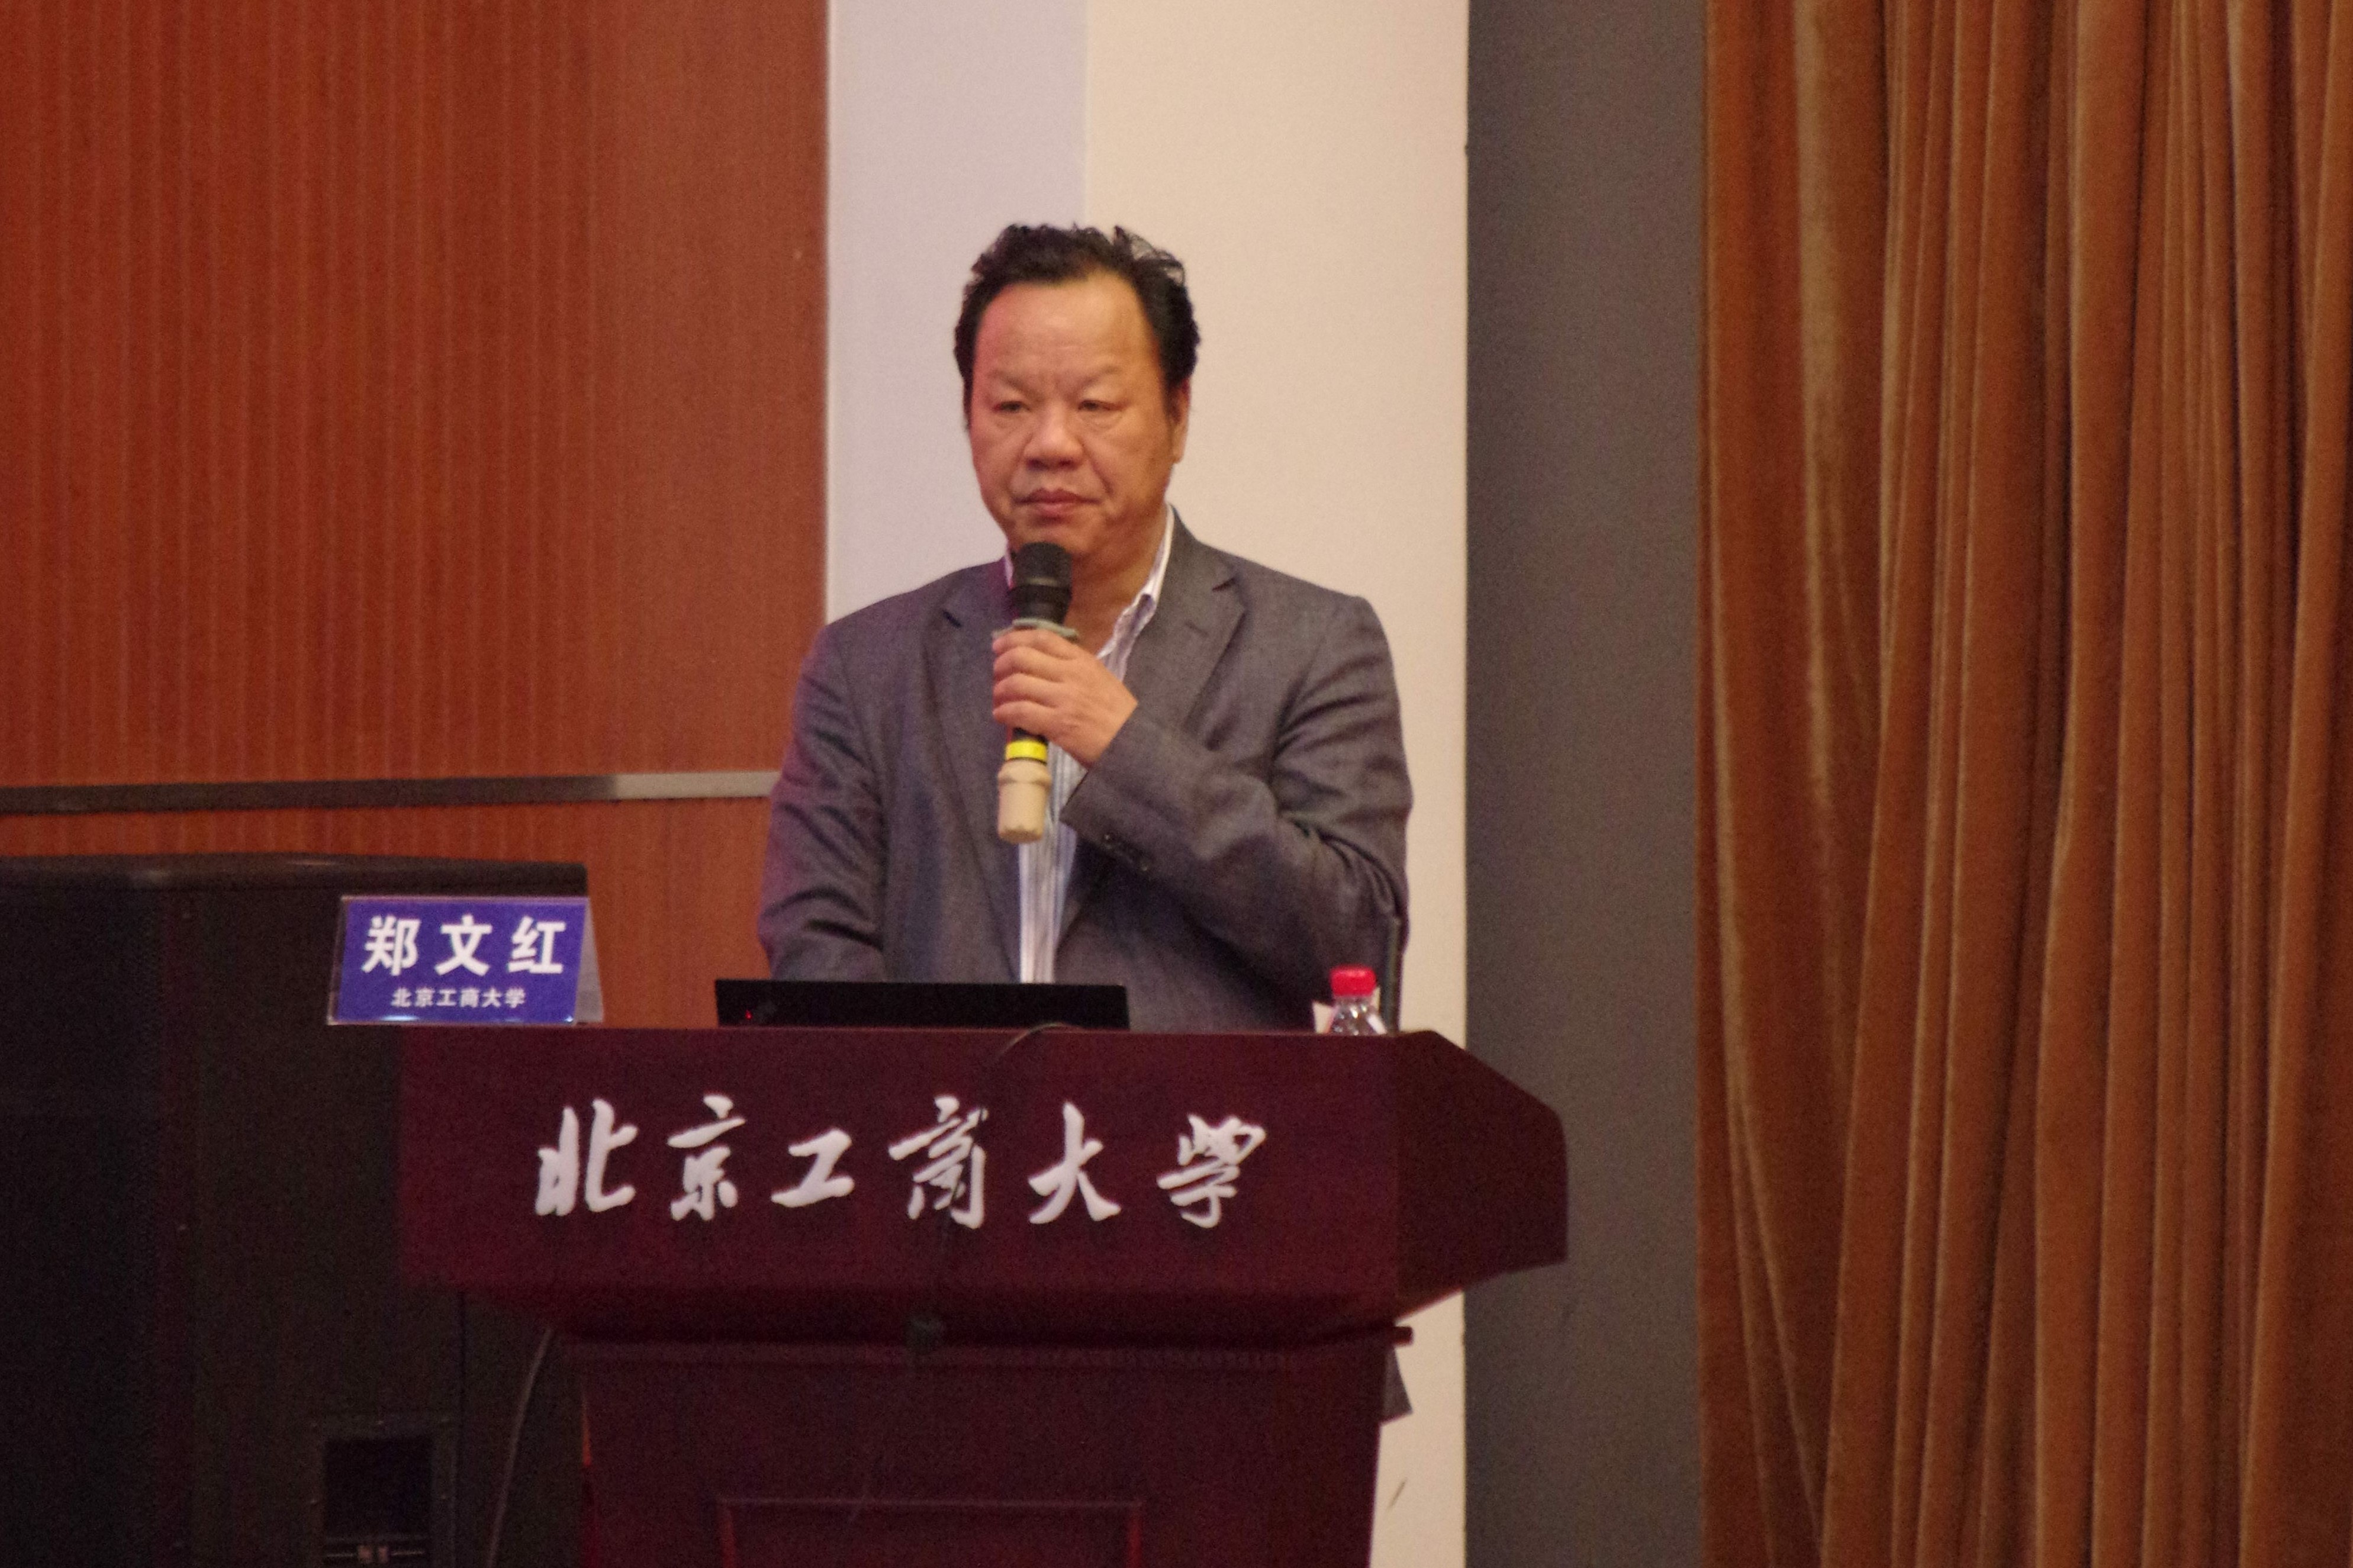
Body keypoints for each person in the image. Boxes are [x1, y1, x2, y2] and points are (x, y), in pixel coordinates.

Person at [758, 224, 1410, 1031]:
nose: (1051, 444)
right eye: (1011, 406)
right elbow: (815, 953)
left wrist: (1127, 750)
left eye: (1095, 405)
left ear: (1177, 416)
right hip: (950, 1114)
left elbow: (1358, 939)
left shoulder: (1312, 645)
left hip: (1190, 1117)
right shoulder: (867, 667)